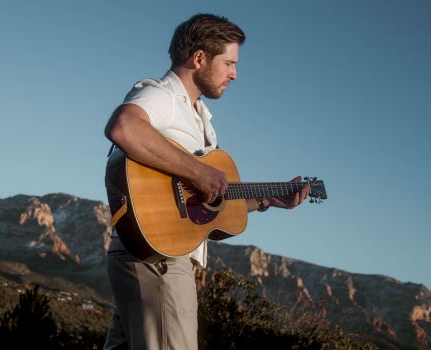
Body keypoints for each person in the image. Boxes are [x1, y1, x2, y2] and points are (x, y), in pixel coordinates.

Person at [103, 13, 309, 350]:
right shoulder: (163, 96)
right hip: (160, 263)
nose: (235, 74)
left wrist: (268, 200)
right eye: (228, 62)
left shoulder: (199, 118)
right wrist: (198, 172)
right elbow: (124, 127)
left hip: (150, 254)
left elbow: (208, 203)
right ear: (199, 58)